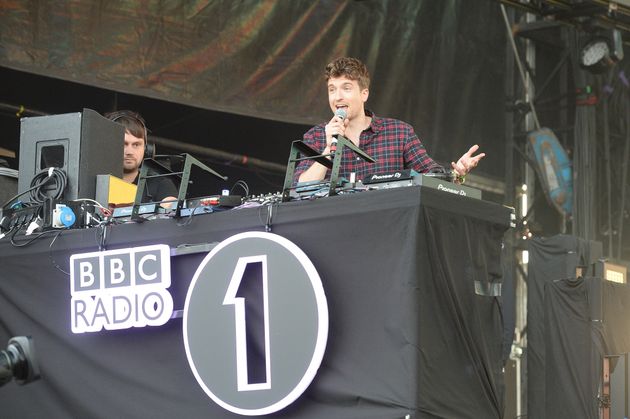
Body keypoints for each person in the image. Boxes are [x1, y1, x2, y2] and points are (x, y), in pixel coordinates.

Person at [294, 57, 484, 184]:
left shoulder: (399, 132)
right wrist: (329, 149)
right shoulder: (316, 136)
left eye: (346, 88)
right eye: (332, 89)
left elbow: (431, 175)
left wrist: (457, 173)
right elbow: (298, 188)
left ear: (364, 94)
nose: (338, 97)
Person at [105, 110, 178, 207]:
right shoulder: (90, 184)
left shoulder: (161, 184)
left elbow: (171, 209)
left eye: (136, 144)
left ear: (147, 149)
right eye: (123, 144)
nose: (130, 152)